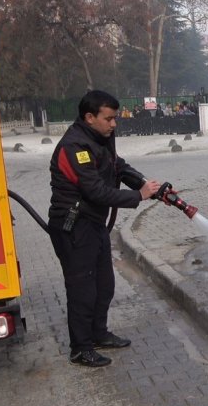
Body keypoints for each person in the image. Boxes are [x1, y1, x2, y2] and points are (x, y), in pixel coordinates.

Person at [48, 90, 161, 367]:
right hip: (73, 227)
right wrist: (139, 196)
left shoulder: (100, 139)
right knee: (82, 290)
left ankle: (98, 334)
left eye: (115, 118)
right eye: (109, 119)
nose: (114, 124)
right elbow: (96, 191)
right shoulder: (73, 147)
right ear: (89, 117)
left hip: (93, 224)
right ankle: (80, 348)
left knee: (104, 285)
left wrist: (149, 186)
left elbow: (117, 167)